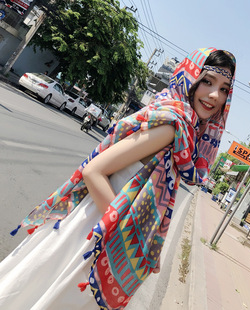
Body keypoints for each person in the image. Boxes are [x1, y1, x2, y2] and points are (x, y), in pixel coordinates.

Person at [0, 47, 236, 309]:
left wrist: (147, 247)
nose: (215, 95)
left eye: (225, 89)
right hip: (94, 234)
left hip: (97, 227)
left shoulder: (182, 128)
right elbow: (94, 171)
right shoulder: (173, 126)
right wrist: (126, 241)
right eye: (207, 81)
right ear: (189, 79)